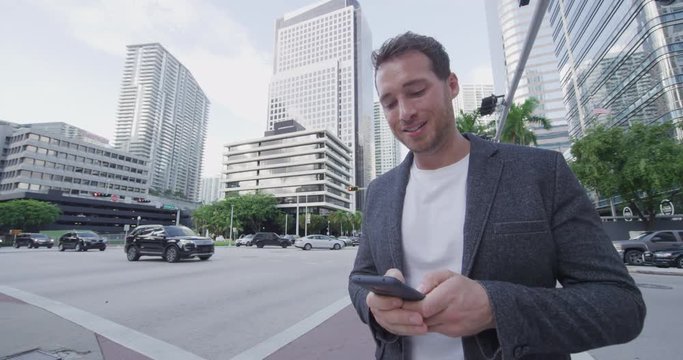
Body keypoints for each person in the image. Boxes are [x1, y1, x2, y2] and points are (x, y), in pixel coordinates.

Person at [348, 32, 645, 360]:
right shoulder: (379, 192)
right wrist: (373, 306)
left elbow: (621, 305)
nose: (404, 112)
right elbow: (359, 280)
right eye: (389, 103)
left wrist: (495, 308)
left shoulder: (540, 173)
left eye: (416, 92)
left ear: (452, 85)